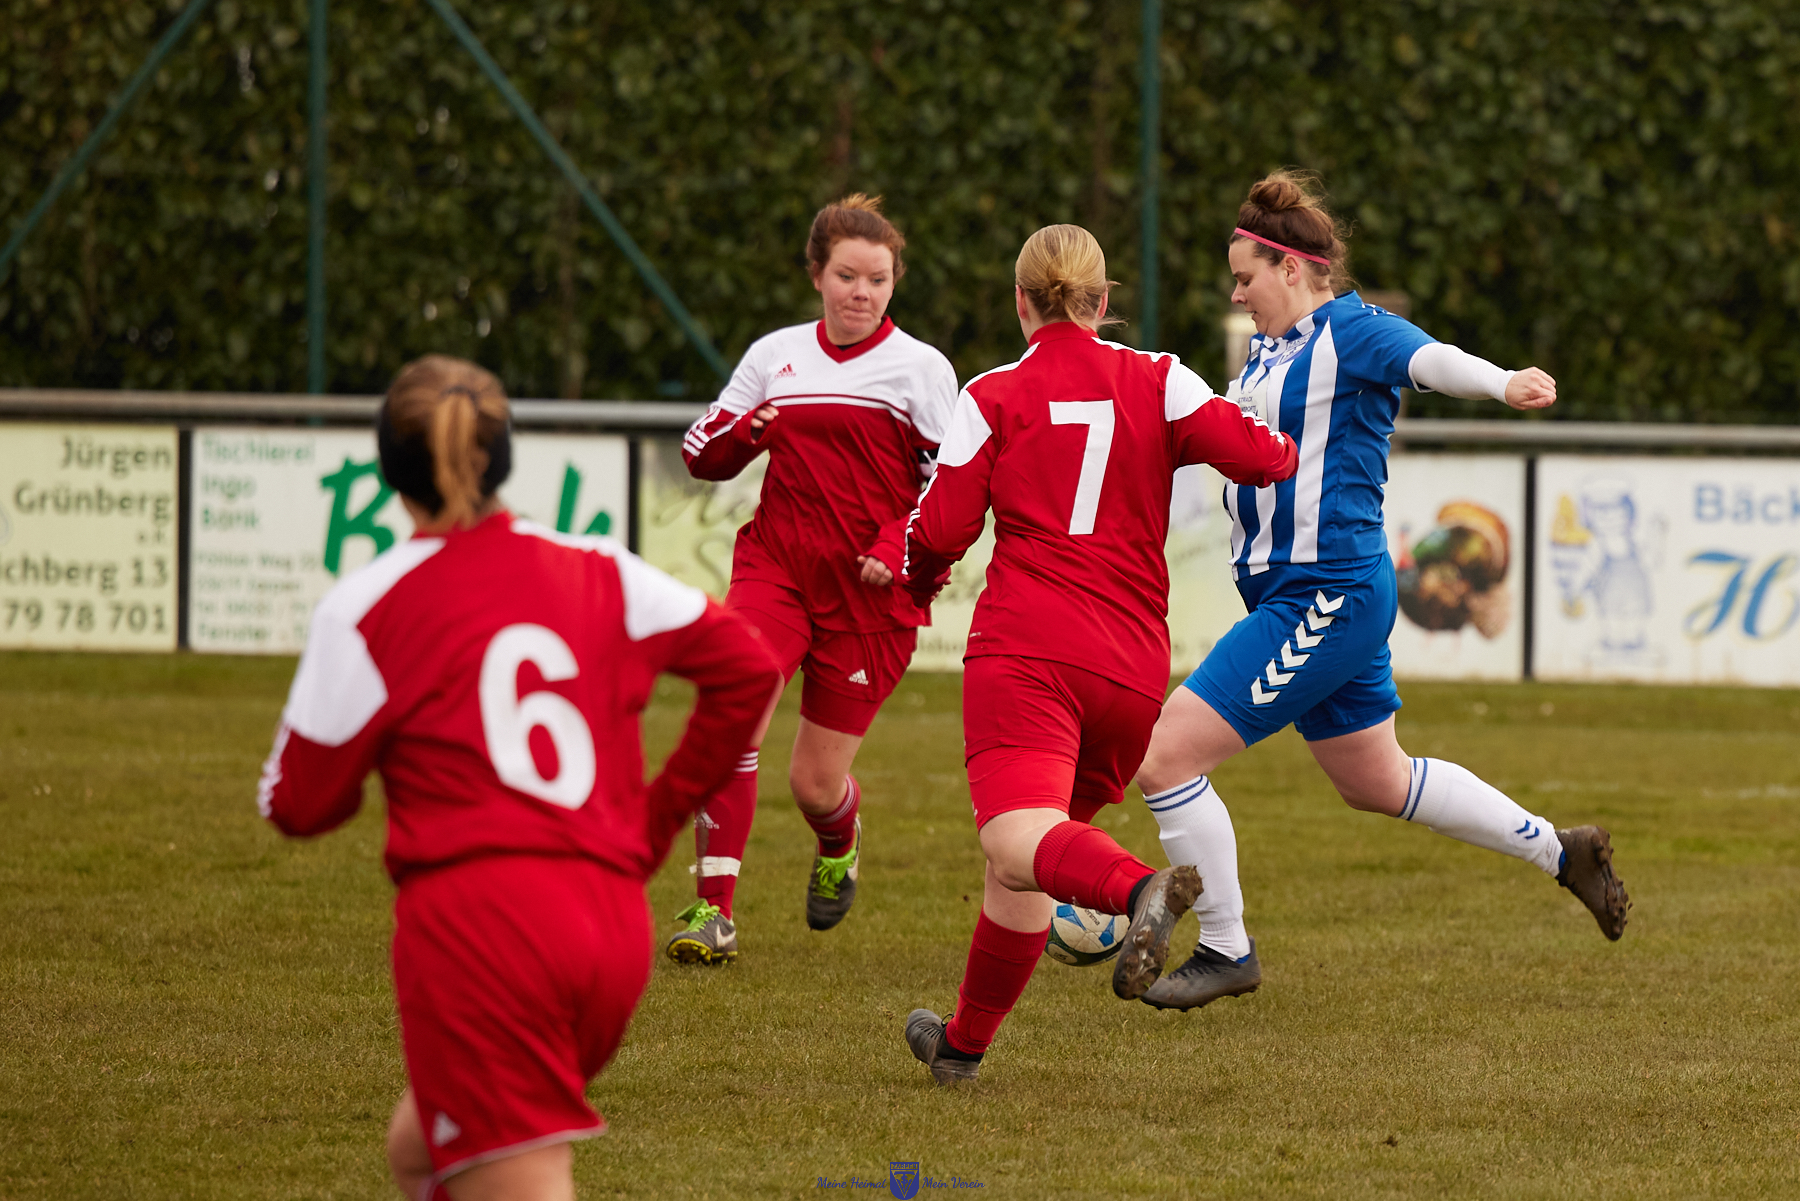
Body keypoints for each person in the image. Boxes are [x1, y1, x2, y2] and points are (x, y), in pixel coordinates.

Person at [258, 356, 780, 1201]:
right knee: (418, 1149)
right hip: (609, 929)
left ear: (389, 468)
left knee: (519, 1173)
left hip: (485, 937)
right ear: (502, 457)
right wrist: (649, 823)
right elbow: (749, 670)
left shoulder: (367, 603)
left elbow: (299, 803)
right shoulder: (599, 565)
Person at [1134, 171, 1632, 1014]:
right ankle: (1562, 851)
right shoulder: (1267, 351)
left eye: (1246, 277)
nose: (1236, 293)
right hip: (1303, 595)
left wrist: (1503, 380)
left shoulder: (1352, 330)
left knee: (1165, 756)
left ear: (1293, 269)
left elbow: (1427, 358)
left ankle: (1225, 946)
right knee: (1376, 779)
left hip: (1325, 595)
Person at [897, 225, 1299, 1084]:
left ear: (1020, 301)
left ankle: (1137, 888)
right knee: (1023, 858)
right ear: (1104, 300)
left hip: (1029, 651)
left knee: (1017, 836)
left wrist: (913, 578)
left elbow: (940, 529)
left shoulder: (993, 392)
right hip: (1130, 669)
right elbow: (1263, 457)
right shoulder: (1160, 376)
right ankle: (961, 1047)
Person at [671, 194, 958, 963]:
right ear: (816, 274)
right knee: (732, 711)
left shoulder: (922, 369)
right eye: (846, 276)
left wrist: (896, 544)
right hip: (777, 570)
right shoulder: (776, 355)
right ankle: (712, 912)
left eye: (877, 280)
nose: (861, 292)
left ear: (894, 283)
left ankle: (839, 838)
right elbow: (700, 451)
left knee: (814, 784)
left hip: (871, 596)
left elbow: (952, 488)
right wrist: (747, 430)